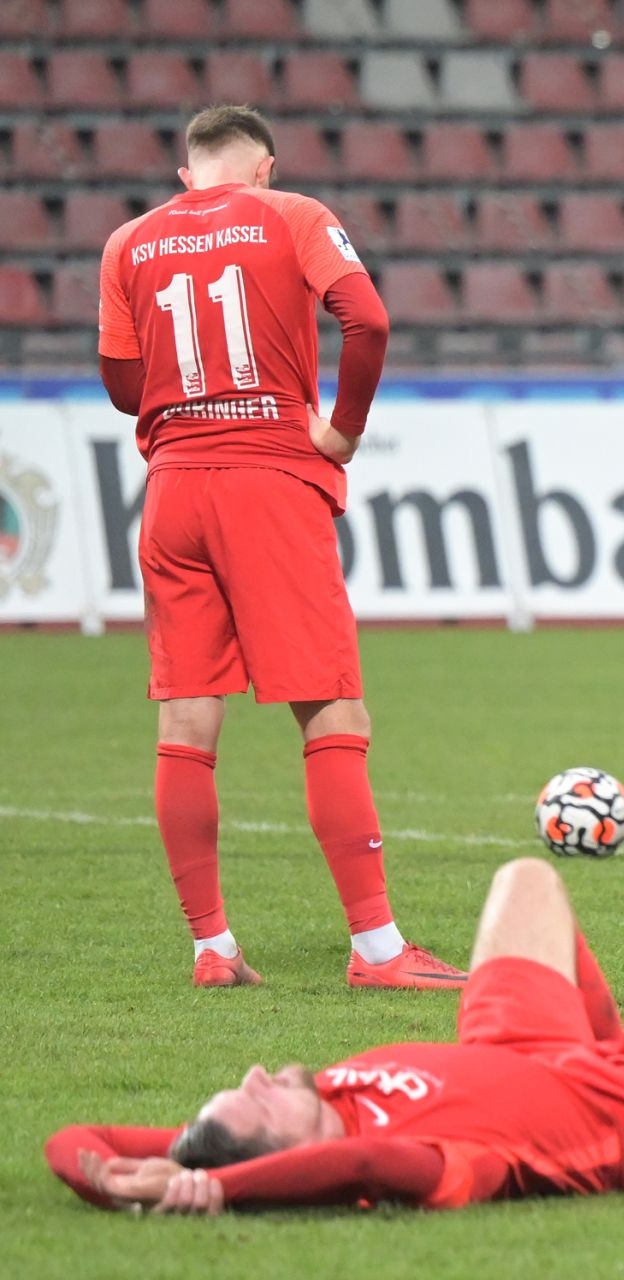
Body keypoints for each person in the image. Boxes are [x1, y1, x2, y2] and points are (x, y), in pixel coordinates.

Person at [45, 857, 624, 1213]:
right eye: (253, 1100)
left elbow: (76, 1140)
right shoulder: (408, 1161)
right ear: (285, 1152)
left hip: (524, 1051)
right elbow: (365, 1175)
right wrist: (216, 1188)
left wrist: (117, 1172)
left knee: (524, 880)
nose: (254, 1071)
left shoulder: (323, 1113)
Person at [95, 105, 463, 989]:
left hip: (173, 489)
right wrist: (340, 432)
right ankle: (378, 951)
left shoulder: (128, 243)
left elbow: (118, 383)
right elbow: (367, 322)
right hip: (268, 481)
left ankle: (213, 949)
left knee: (186, 721)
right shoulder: (293, 213)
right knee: (333, 708)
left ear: (189, 175)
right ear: (262, 168)